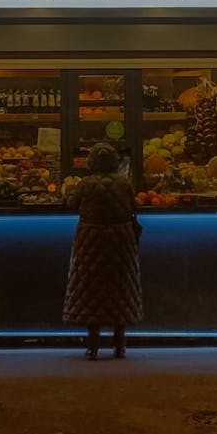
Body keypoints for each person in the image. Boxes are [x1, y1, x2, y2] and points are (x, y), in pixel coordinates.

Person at [63, 142, 143, 359]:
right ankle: (119, 344)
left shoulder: (86, 184)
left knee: (91, 290)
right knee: (120, 290)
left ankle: (93, 345)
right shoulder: (124, 184)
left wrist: (68, 189)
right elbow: (135, 207)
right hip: (121, 241)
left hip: (91, 241)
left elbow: (71, 204)